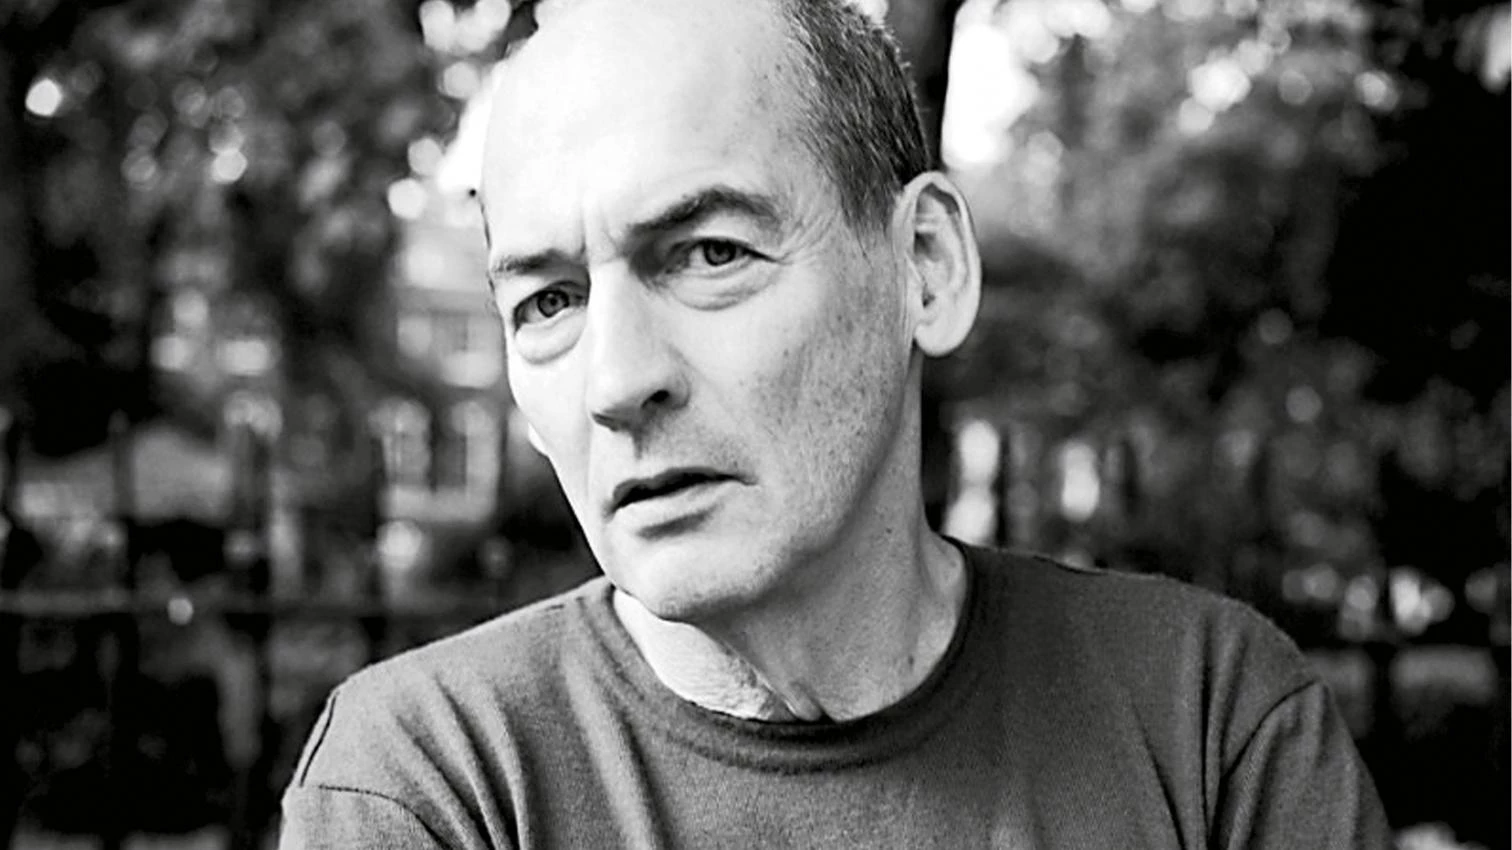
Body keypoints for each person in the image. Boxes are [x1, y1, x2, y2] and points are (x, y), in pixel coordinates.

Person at [279, 0, 1390, 846]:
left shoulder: (1207, 724)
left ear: (924, 267)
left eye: (710, 253)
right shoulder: (430, 786)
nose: (615, 381)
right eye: (548, 304)